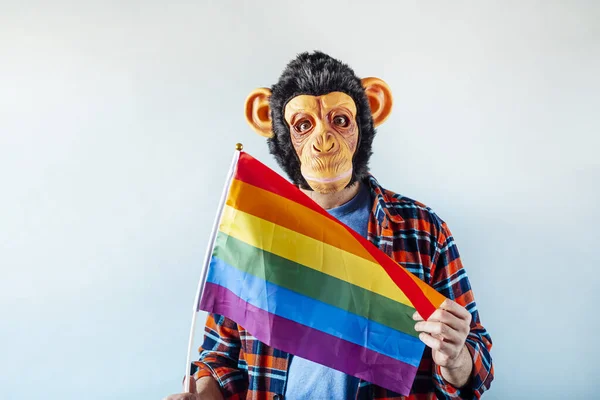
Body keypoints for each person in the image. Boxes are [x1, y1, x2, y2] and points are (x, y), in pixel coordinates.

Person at [164, 51, 493, 400]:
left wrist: (456, 358)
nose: (323, 141)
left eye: (340, 120)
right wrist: (201, 394)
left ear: (370, 110)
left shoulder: (422, 231)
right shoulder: (252, 231)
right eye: (304, 125)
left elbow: (478, 360)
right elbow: (219, 360)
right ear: (269, 122)